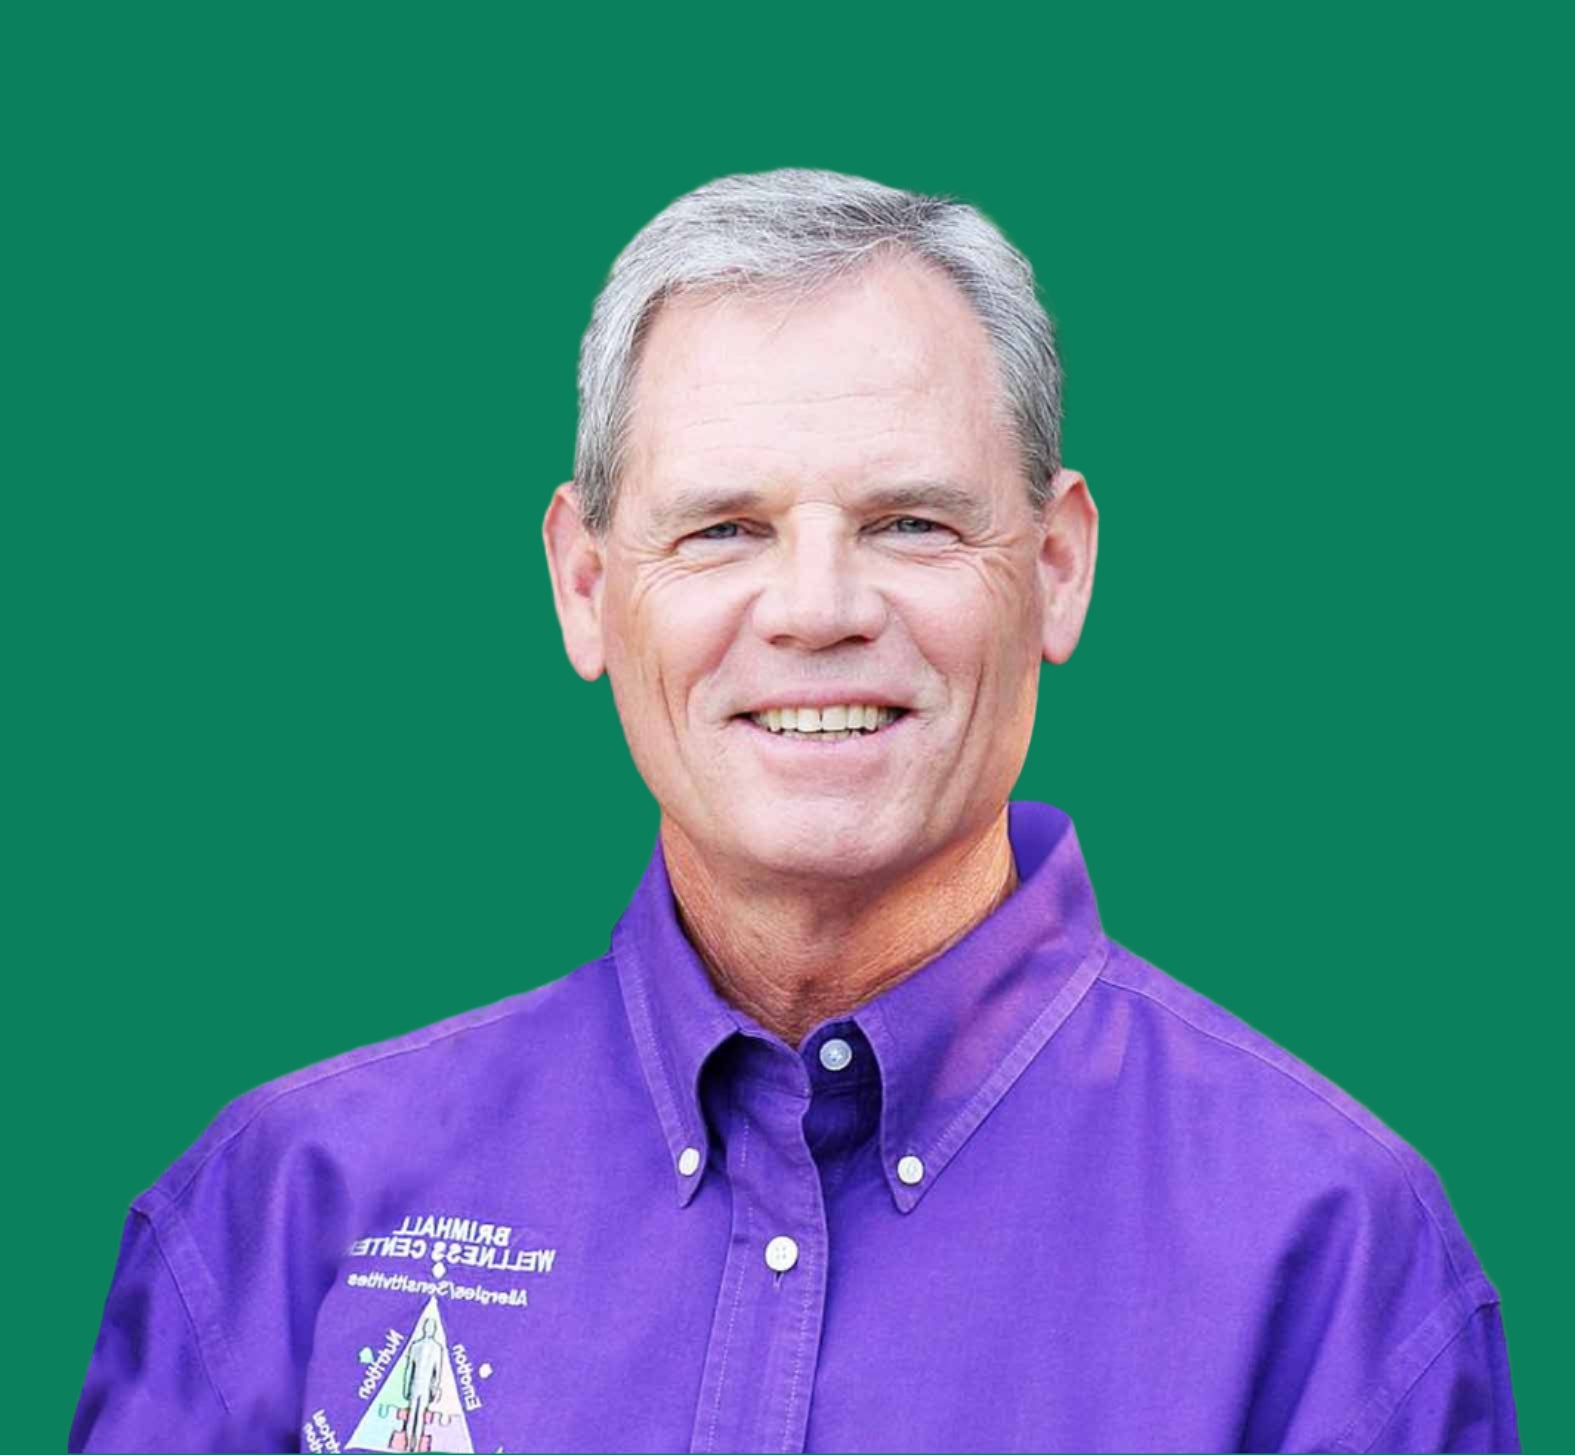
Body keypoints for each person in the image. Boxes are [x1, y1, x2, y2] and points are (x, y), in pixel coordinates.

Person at [68, 168, 1520, 1454]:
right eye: (723, 531)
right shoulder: (288, 1211)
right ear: (586, 586)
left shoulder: (1329, 1254)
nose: (818, 611)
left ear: (1060, 567)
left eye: (912, 523)